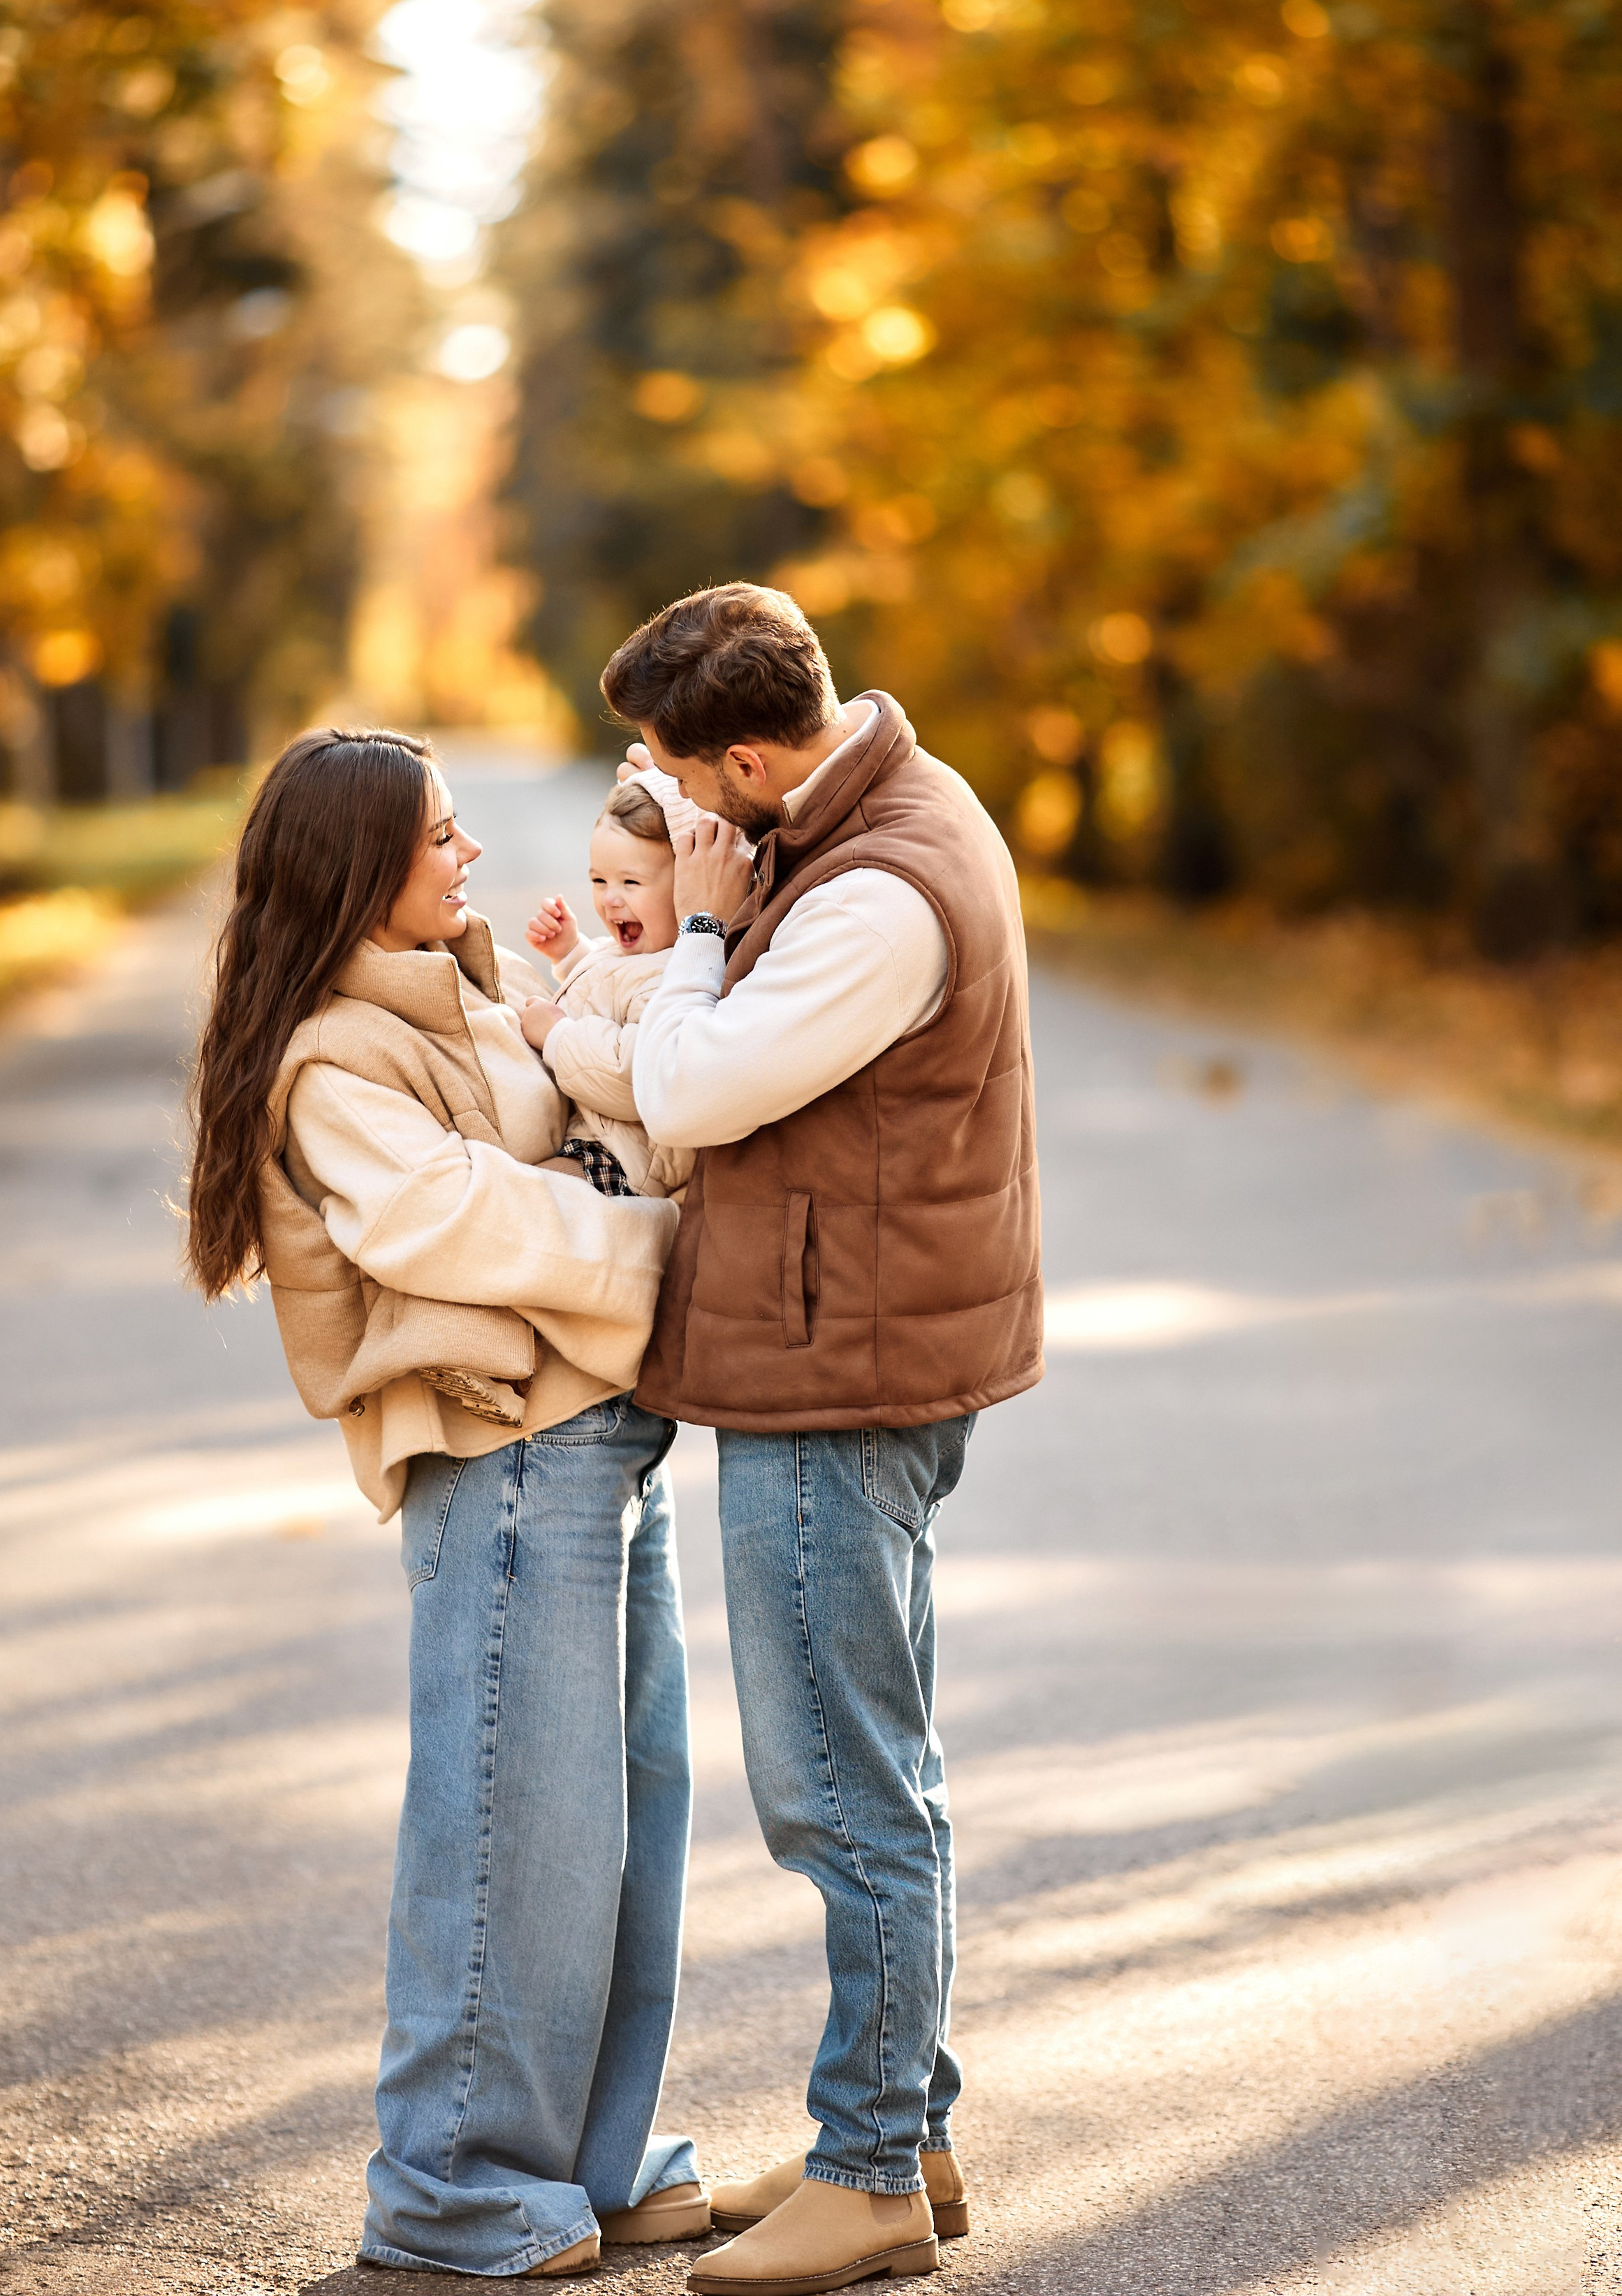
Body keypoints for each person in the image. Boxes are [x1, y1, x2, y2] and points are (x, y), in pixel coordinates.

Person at [184, 726, 712, 2278]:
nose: (470, 855)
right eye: (440, 836)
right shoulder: (330, 1060)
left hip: (602, 1438)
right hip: (506, 1457)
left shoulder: (471, 994)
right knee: (509, 1833)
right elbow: (462, 1224)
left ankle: (586, 2158)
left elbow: (607, 1129)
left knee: (625, 1822)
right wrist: (678, 1246)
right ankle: (452, 2180)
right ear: (359, 870)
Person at [599, 585, 1044, 2296]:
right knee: (877, 1760)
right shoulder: (851, 813)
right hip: (849, 1348)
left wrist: (697, 938)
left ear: (747, 753)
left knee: (839, 1787)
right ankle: (901, 2123)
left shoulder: (875, 888)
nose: (666, 801)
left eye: (667, 768)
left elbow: (691, 1093)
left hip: (834, 1375)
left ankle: (865, 2174)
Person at [518, 766, 697, 1200]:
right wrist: (572, 952)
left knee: (527, 1201)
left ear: (688, 886)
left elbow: (633, 1076)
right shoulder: (641, 955)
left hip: (624, 1165)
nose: (610, 898)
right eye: (599, 880)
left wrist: (557, 1034)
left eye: (631, 882)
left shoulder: (676, 978)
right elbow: (610, 991)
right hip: (594, 1140)